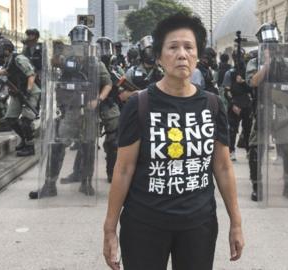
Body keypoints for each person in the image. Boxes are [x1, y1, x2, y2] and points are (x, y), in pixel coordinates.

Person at [103, 13, 244, 270]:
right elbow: (123, 169)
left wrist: (236, 223)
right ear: (159, 56)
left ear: (198, 55)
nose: (182, 54)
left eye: (189, 47)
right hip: (144, 225)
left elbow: (223, 167)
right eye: (173, 47)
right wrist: (109, 228)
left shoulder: (212, 104)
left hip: (198, 226)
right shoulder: (139, 104)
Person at [28, 25, 113, 199]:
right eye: (76, 40)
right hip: (68, 109)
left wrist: (98, 99)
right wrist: (56, 55)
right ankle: (49, 184)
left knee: (88, 146)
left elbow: (108, 83)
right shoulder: (65, 57)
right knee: (58, 145)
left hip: (88, 111)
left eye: (82, 40)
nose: (79, 43)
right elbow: (52, 70)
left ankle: (86, 182)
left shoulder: (95, 62)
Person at [245, 23, 288, 201]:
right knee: (256, 150)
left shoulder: (284, 62)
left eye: (274, 44)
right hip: (262, 110)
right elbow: (253, 82)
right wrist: (266, 65)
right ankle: (257, 185)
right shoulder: (254, 61)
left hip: (281, 110)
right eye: (268, 45)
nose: (272, 48)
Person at [0, 41, 40, 156]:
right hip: (16, 92)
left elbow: (31, 75)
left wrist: (28, 92)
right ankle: (24, 140)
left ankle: (30, 146)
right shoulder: (8, 60)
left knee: (26, 121)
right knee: (11, 119)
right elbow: (5, 72)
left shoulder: (19, 59)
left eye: (0, 49)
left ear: (7, 50)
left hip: (29, 92)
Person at [97, 37, 121, 183]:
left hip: (110, 106)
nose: (105, 52)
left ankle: (111, 171)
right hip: (90, 106)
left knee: (113, 142)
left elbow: (124, 88)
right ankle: (80, 175)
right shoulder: (90, 66)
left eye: (107, 48)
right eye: (101, 48)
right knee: (84, 144)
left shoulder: (117, 70)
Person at [223, 49, 253, 161]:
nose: (238, 59)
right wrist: (233, 104)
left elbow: (252, 89)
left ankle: (249, 151)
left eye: (240, 56)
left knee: (248, 129)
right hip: (234, 104)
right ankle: (231, 151)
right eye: (236, 57)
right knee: (232, 130)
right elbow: (226, 91)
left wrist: (243, 82)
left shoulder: (248, 72)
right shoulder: (229, 73)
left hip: (246, 104)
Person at [122, 35, 163, 102]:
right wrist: (135, 94)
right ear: (142, 53)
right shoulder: (132, 72)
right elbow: (122, 96)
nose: (152, 54)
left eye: (154, 52)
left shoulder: (163, 71)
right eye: (149, 51)